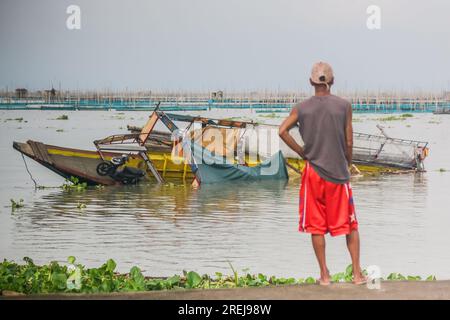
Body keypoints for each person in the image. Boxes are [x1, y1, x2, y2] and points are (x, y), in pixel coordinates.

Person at [278, 62, 366, 285]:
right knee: (350, 224)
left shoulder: (302, 108)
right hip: (338, 173)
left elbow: (282, 131)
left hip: (313, 173)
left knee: (316, 225)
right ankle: (357, 275)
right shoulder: (344, 106)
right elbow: (349, 140)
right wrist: (348, 162)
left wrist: (302, 152)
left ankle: (325, 276)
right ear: (332, 81)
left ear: (311, 82)